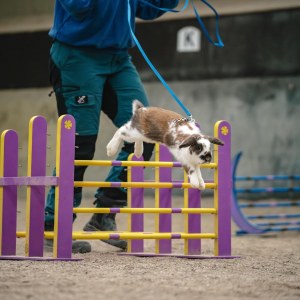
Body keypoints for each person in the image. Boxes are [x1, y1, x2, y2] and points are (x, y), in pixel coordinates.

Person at [44, 0, 179, 253]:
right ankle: (53, 225)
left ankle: (104, 214)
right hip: (76, 55)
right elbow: (78, 6)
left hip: (118, 58)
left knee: (145, 134)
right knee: (79, 145)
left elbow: (149, 8)